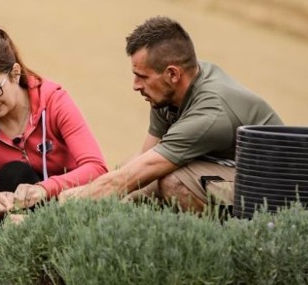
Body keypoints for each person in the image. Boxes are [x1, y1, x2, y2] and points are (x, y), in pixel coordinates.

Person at [60, 16, 282, 211]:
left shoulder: (209, 114)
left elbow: (139, 173)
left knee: (173, 182)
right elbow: (143, 159)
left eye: (142, 76)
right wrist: (90, 191)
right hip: (228, 177)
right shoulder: (168, 92)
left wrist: (77, 200)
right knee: (138, 187)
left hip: (273, 193)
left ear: (172, 74)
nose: (135, 85)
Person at [0, 29, 108, 225]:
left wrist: (45, 189)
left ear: (15, 73)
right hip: (15, 222)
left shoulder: (55, 102)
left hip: (68, 213)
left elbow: (97, 168)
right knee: (13, 173)